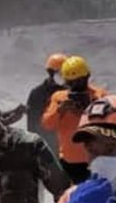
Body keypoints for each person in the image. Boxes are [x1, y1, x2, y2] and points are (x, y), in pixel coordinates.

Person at [42, 56, 107, 184]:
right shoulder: (59, 98)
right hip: (69, 162)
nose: (75, 86)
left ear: (87, 77)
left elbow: (109, 124)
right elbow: (47, 124)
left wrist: (88, 109)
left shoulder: (100, 95)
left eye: (79, 81)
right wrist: (60, 110)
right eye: (71, 82)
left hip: (96, 159)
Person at [25, 52, 67, 155]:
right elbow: (32, 124)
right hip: (47, 148)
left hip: (67, 147)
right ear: (51, 73)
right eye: (60, 73)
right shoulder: (37, 93)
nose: (64, 76)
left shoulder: (70, 91)